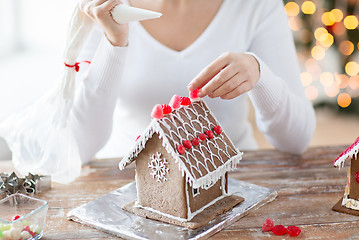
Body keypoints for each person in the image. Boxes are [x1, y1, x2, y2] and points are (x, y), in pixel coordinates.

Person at [72, 0, 316, 163]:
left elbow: (297, 140)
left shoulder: (256, 5)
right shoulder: (102, 7)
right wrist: (114, 45)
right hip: (128, 178)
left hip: (234, 177)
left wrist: (260, 74)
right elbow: (79, 147)